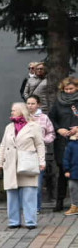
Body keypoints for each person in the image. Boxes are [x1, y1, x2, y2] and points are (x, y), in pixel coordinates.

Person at [0, 102, 46, 229]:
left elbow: (40, 145)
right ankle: (14, 221)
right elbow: (3, 145)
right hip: (11, 163)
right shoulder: (9, 127)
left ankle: (30, 221)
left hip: (27, 162)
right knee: (12, 193)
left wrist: (42, 161)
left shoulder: (34, 126)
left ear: (21, 111)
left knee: (29, 193)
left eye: (14, 110)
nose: (11, 112)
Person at [48, 76, 78, 212]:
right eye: (66, 89)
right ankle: (59, 201)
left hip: (76, 139)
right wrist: (59, 129)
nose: (68, 91)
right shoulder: (58, 102)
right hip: (62, 141)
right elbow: (51, 118)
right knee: (62, 171)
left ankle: (75, 203)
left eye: (71, 89)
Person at [25, 96, 55, 209]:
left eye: (33, 103)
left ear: (38, 105)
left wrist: (43, 141)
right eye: (28, 103)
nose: (30, 106)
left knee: (37, 183)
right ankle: (26, 206)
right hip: (24, 153)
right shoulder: (22, 117)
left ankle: (36, 207)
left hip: (39, 154)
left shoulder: (44, 118)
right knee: (25, 182)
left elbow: (51, 133)